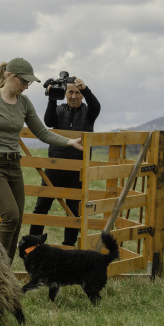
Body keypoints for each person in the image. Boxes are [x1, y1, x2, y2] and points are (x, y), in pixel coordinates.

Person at [0, 58, 83, 263]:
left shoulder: (24, 103)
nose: (27, 86)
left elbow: (42, 133)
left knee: (16, 223)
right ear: (10, 76)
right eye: (24, 82)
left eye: (29, 83)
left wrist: (69, 141)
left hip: (13, 166)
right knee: (10, 216)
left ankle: (3, 276)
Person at [28, 76, 100, 246]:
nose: (74, 96)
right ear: (65, 94)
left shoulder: (89, 112)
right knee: (42, 205)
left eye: (77, 92)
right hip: (54, 166)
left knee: (73, 209)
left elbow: (96, 106)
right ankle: (33, 242)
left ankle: (69, 245)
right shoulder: (58, 110)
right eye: (70, 92)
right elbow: (48, 121)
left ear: (82, 95)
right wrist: (52, 97)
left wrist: (86, 89)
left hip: (78, 169)